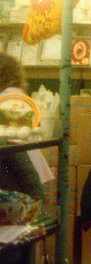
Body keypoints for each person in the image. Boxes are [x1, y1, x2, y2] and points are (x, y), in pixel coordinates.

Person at [0, 52, 50, 201]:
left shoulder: (6, 100)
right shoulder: (16, 95)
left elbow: (12, 146)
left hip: (20, 175)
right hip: (29, 171)